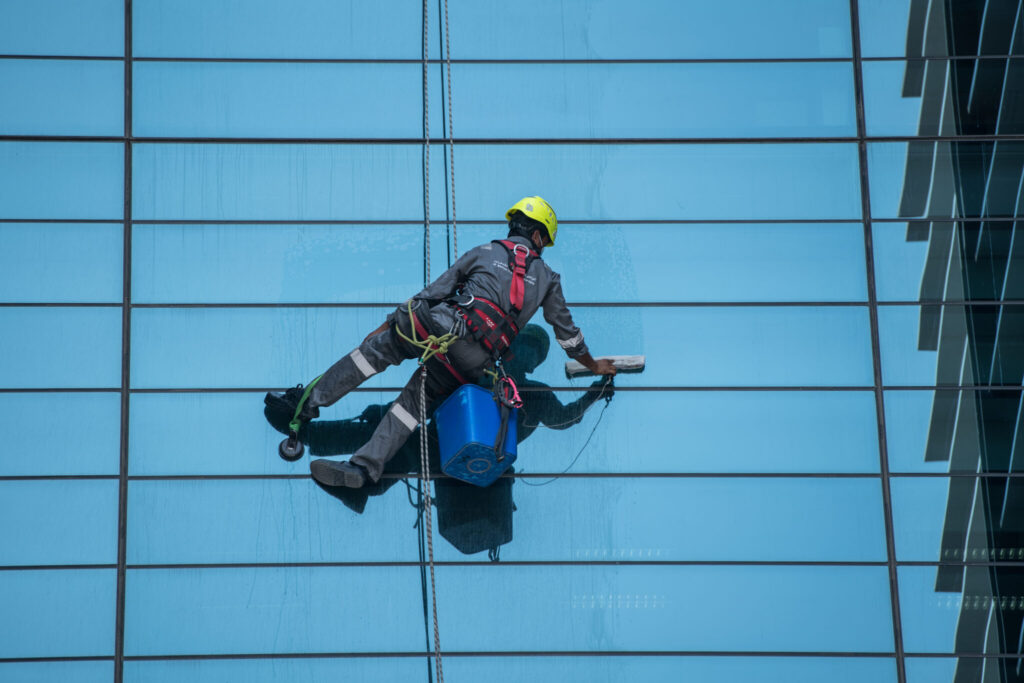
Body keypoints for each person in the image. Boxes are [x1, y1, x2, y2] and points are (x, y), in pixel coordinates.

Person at [278, 195, 617, 488]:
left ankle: (303, 407)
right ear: (539, 235)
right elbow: (568, 338)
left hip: (439, 327)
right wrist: (595, 367)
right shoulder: (548, 279)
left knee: (372, 355)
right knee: (411, 407)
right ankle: (364, 468)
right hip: (473, 360)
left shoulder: (484, 251)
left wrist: (386, 326)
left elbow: (434, 292)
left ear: (517, 225)